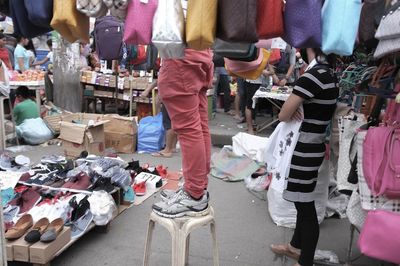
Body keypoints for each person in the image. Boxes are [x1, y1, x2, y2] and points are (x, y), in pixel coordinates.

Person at [270, 48, 338, 266]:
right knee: (302, 203)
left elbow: (283, 114)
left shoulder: (312, 76)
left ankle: (304, 260)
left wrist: (293, 106)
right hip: (314, 144)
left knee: (305, 207)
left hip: (304, 148)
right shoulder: (329, 73)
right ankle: (293, 247)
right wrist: (298, 105)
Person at [152, 48, 213, 218]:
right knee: (198, 126)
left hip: (180, 58)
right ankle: (197, 187)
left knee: (189, 130)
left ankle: (194, 193)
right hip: (200, 56)